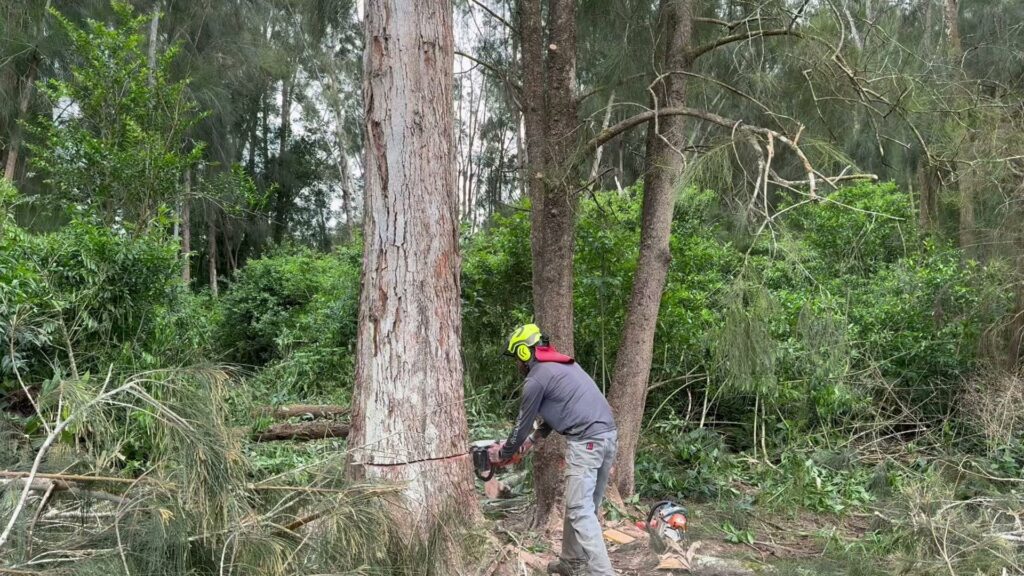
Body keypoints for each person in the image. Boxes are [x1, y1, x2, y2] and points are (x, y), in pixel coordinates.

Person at [489, 323, 618, 576]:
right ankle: (571, 562)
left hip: (587, 442)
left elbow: (521, 424)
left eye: (517, 356)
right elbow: (552, 418)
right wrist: (529, 444)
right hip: (607, 438)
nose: (517, 363)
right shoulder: (563, 366)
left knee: (580, 510)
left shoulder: (536, 379)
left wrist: (503, 454)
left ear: (525, 353)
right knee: (583, 507)